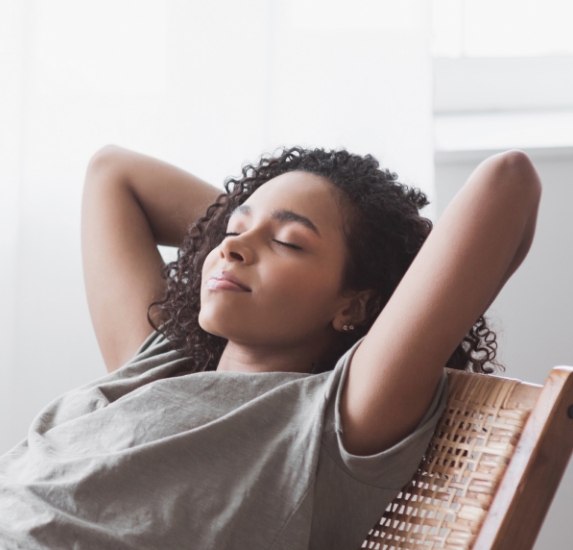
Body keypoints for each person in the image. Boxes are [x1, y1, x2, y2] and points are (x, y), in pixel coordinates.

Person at [0, 145, 542, 549]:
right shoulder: (160, 361)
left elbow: (509, 181)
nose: (230, 246)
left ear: (354, 305)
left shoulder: (331, 422)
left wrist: (381, 259)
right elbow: (111, 169)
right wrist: (260, 232)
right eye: (229, 230)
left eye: (289, 242)